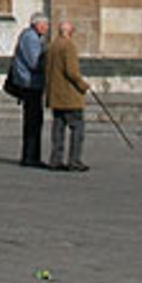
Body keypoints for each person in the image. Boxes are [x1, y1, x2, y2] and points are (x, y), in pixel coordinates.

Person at [45, 20, 90, 172]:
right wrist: (83, 85)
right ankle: (74, 161)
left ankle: (55, 160)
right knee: (77, 128)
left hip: (55, 95)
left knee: (58, 129)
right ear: (70, 33)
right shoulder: (68, 46)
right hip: (69, 96)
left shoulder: (52, 46)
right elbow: (72, 71)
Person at [12, 12, 50, 166]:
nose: (47, 28)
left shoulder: (33, 38)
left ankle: (33, 155)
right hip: (30, 84)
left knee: (35, 120)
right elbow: (34, 62)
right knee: (33, 120)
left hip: (33, 84)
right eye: (45, 25)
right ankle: (29, 156)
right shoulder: (30, 38)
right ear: (37, 25)